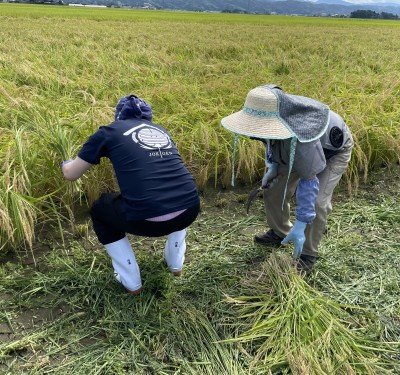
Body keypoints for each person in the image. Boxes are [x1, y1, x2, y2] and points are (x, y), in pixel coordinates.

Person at [62, 94, 200, 294]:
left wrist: (64, 163)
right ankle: (176, 264)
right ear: (148, 118)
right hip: (190, 208)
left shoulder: (108, 132)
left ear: (118, 115)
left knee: (100, 209)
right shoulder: (161, 131)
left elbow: (71, 174)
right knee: (174, 194)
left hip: (146, 219)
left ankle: (131, 281)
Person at [221, 84, 353, 273]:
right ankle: (280, 232)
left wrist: (301, 223)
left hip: (331, 151)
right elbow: (271, 143)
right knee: (273, 188)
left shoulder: (301, 136)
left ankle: (308, 253)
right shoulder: (270, 121)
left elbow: (309, 180)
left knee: (317, 203)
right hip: (291, 145)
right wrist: (273, 167)